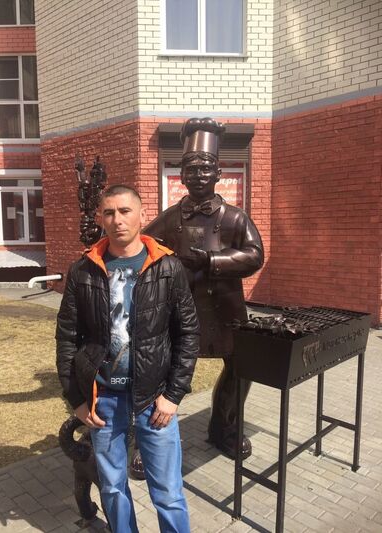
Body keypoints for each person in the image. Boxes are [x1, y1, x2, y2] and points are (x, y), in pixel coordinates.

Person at [56, 184, 199, 533]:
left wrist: (173, 395)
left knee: (168, 493)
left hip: (155, 399)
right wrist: (77, 399)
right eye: (109, 212)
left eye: (124, 211)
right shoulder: (83, 270)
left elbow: (188, 334)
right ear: (100, 218)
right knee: (112, 488)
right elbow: (67, 338)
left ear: (142, 215)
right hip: (104, 399)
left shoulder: (168, 268)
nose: (117, 220)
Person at [144, 117, 264, 459]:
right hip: (181, 308)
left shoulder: (236, 217)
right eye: (191, 170)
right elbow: (142, 246)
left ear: (218, 173)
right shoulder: (170, 217)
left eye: (205, 169)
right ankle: (152, 439)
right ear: (182, 175)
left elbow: (255, 255)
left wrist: (212, 261)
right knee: (163, 371)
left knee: (240, 369)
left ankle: (224, 428)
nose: (199, 175)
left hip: (226, 308)